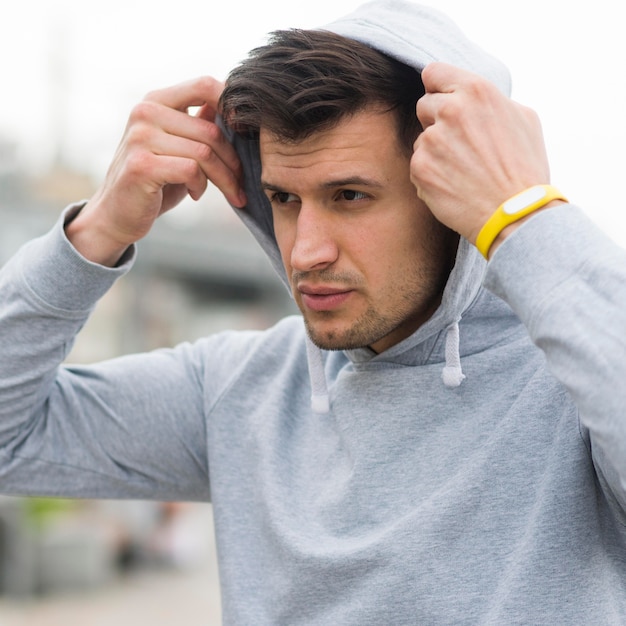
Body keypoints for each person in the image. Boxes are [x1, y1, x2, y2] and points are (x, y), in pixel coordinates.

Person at [1, 0, 625, 622]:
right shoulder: (242, 388)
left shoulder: (573, 389)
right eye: (283, 197)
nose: (306, 250)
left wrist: (524, 214)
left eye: (349, 195)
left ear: (450, 194)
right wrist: (96, 232)